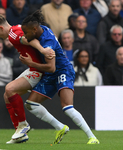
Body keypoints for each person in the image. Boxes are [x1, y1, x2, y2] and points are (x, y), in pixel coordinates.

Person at [20, 10, 99, 144]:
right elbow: (25, 39)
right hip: (51, 74)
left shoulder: (47, 42)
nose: (25, 35)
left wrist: (30, 63)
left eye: (26, 32)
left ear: (34, 29)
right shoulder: (42, 28)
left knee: (67, 107)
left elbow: (52, 67)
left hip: (63, 71)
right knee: (31, 104)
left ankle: (92, 137)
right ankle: (60, 127)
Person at [0, 13, 55, 143]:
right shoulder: (16, 29)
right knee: (7, 96)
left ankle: (23, 125)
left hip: (38, 70)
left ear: (1, 28)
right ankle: (19, 133)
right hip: (32, 68)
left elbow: (30, 40)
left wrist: (43, 50)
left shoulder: (12, 35)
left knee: (10, 89)